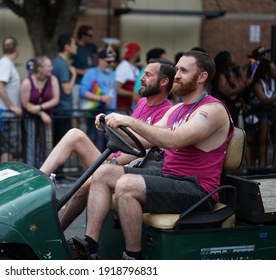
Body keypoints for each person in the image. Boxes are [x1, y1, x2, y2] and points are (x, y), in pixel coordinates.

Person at [82, 50, 233, 260]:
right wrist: (110, 124)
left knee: (127, 184)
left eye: (183, 70)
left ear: (202, 77)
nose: (176, 75)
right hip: (169, 179)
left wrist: (129, 120)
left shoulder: (212, 109)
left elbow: (174, 140)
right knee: (104, 172)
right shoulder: (177, 109)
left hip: (197, 189)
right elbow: (143, 139)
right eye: (177, 68)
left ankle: (133, 257)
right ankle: (88, 248)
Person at [40, 58, 176, 230]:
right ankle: (39, 180)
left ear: (163, 82)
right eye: (143, 73)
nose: (141, 78)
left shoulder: (166, 111)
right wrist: (107, 123)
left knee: (86, 183)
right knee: (75, 134)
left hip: (130, 168)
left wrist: (113, 162)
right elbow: (129, 137)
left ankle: (57, 232)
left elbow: (140, 149)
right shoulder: (142, 102)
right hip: (114, 160)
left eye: (148, 75)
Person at [20, 56, 60, 168]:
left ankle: (45, 172)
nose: (51, 68)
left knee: (46, 146)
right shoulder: (27, 82)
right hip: (30, 118)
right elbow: (26, 104)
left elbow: (55, 99)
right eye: (49, 66)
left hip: (47, 118)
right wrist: (41, 113)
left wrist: (40, 107)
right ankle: (29, 172)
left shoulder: (53, 79)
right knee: (31, 147)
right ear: (40, 68)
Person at [0, 36, 22, 165]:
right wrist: (12, 106)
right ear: (16, 48)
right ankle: (3, 180)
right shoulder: (6, 64)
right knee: (8, 148)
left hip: (2, 114)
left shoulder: (3, 63)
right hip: (7, 114)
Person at [79, 50, 116, 152]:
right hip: (96, 115)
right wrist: (100, 98)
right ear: (100, 60)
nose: (111, 64)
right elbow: (82, 91)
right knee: (96, 145)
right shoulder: (91, 73)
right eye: (108, 62)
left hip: (111, 115)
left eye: (113, 61)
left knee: (109, 147)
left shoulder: (113, 73)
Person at [245, 57, 276, 169]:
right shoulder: (258, 83)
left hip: (268, 113)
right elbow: (263, 99)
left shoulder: (273, 82)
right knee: (255, 140)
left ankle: (263, 164)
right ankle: (254, 166)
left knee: (266, 139)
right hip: (256, 113)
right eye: (273, 69)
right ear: (267, 71)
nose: (275, 71)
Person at [52, 34, 77, 146]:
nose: (76, 46)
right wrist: (74, 75)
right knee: (61, 145)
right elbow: (67, 89)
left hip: (60, 110)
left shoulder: (58, 62)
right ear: (67, 47)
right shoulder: (61, 64)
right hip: (63, 110)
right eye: (73, 44)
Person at [212, 51, 247, 125]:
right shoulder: (222, 75)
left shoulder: (235, 72)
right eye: (232, 56)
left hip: (237, 108)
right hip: (228, 108)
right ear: (227, 60)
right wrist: (242, 87)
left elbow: (244, 83)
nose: (234, 58)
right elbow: (227, 92)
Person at [71, 25, 98, 118]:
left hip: (91, 85)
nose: (92, 38)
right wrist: (82, 71)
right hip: (78, 83)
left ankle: (85, 131)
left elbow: (99, 57)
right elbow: (69, 66)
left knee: (88, 110)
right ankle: (75, 130)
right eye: (90, 36)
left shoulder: (92, 47)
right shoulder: (75, 48)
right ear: (83, 36)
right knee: (76, 111)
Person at [115, 43, 141, 111]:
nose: (140, 54)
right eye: (139, 52)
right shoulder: (123, 67)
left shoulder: (134, 67)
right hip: (123, 109)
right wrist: (132, 94)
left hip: (131, 108)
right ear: (135, 53)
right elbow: (117, 89)